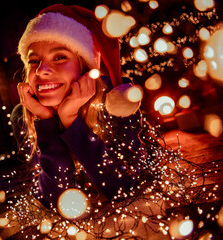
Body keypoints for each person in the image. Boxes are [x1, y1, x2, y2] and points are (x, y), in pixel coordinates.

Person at [11, 4, 146, 209]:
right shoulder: (24, 114)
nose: (42, 70)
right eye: (34, 60)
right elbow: (52, 201)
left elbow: (126, 190)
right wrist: (47, 124)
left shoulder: (117, 101)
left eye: (59, 57)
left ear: (84, 65)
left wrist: (71, 121)